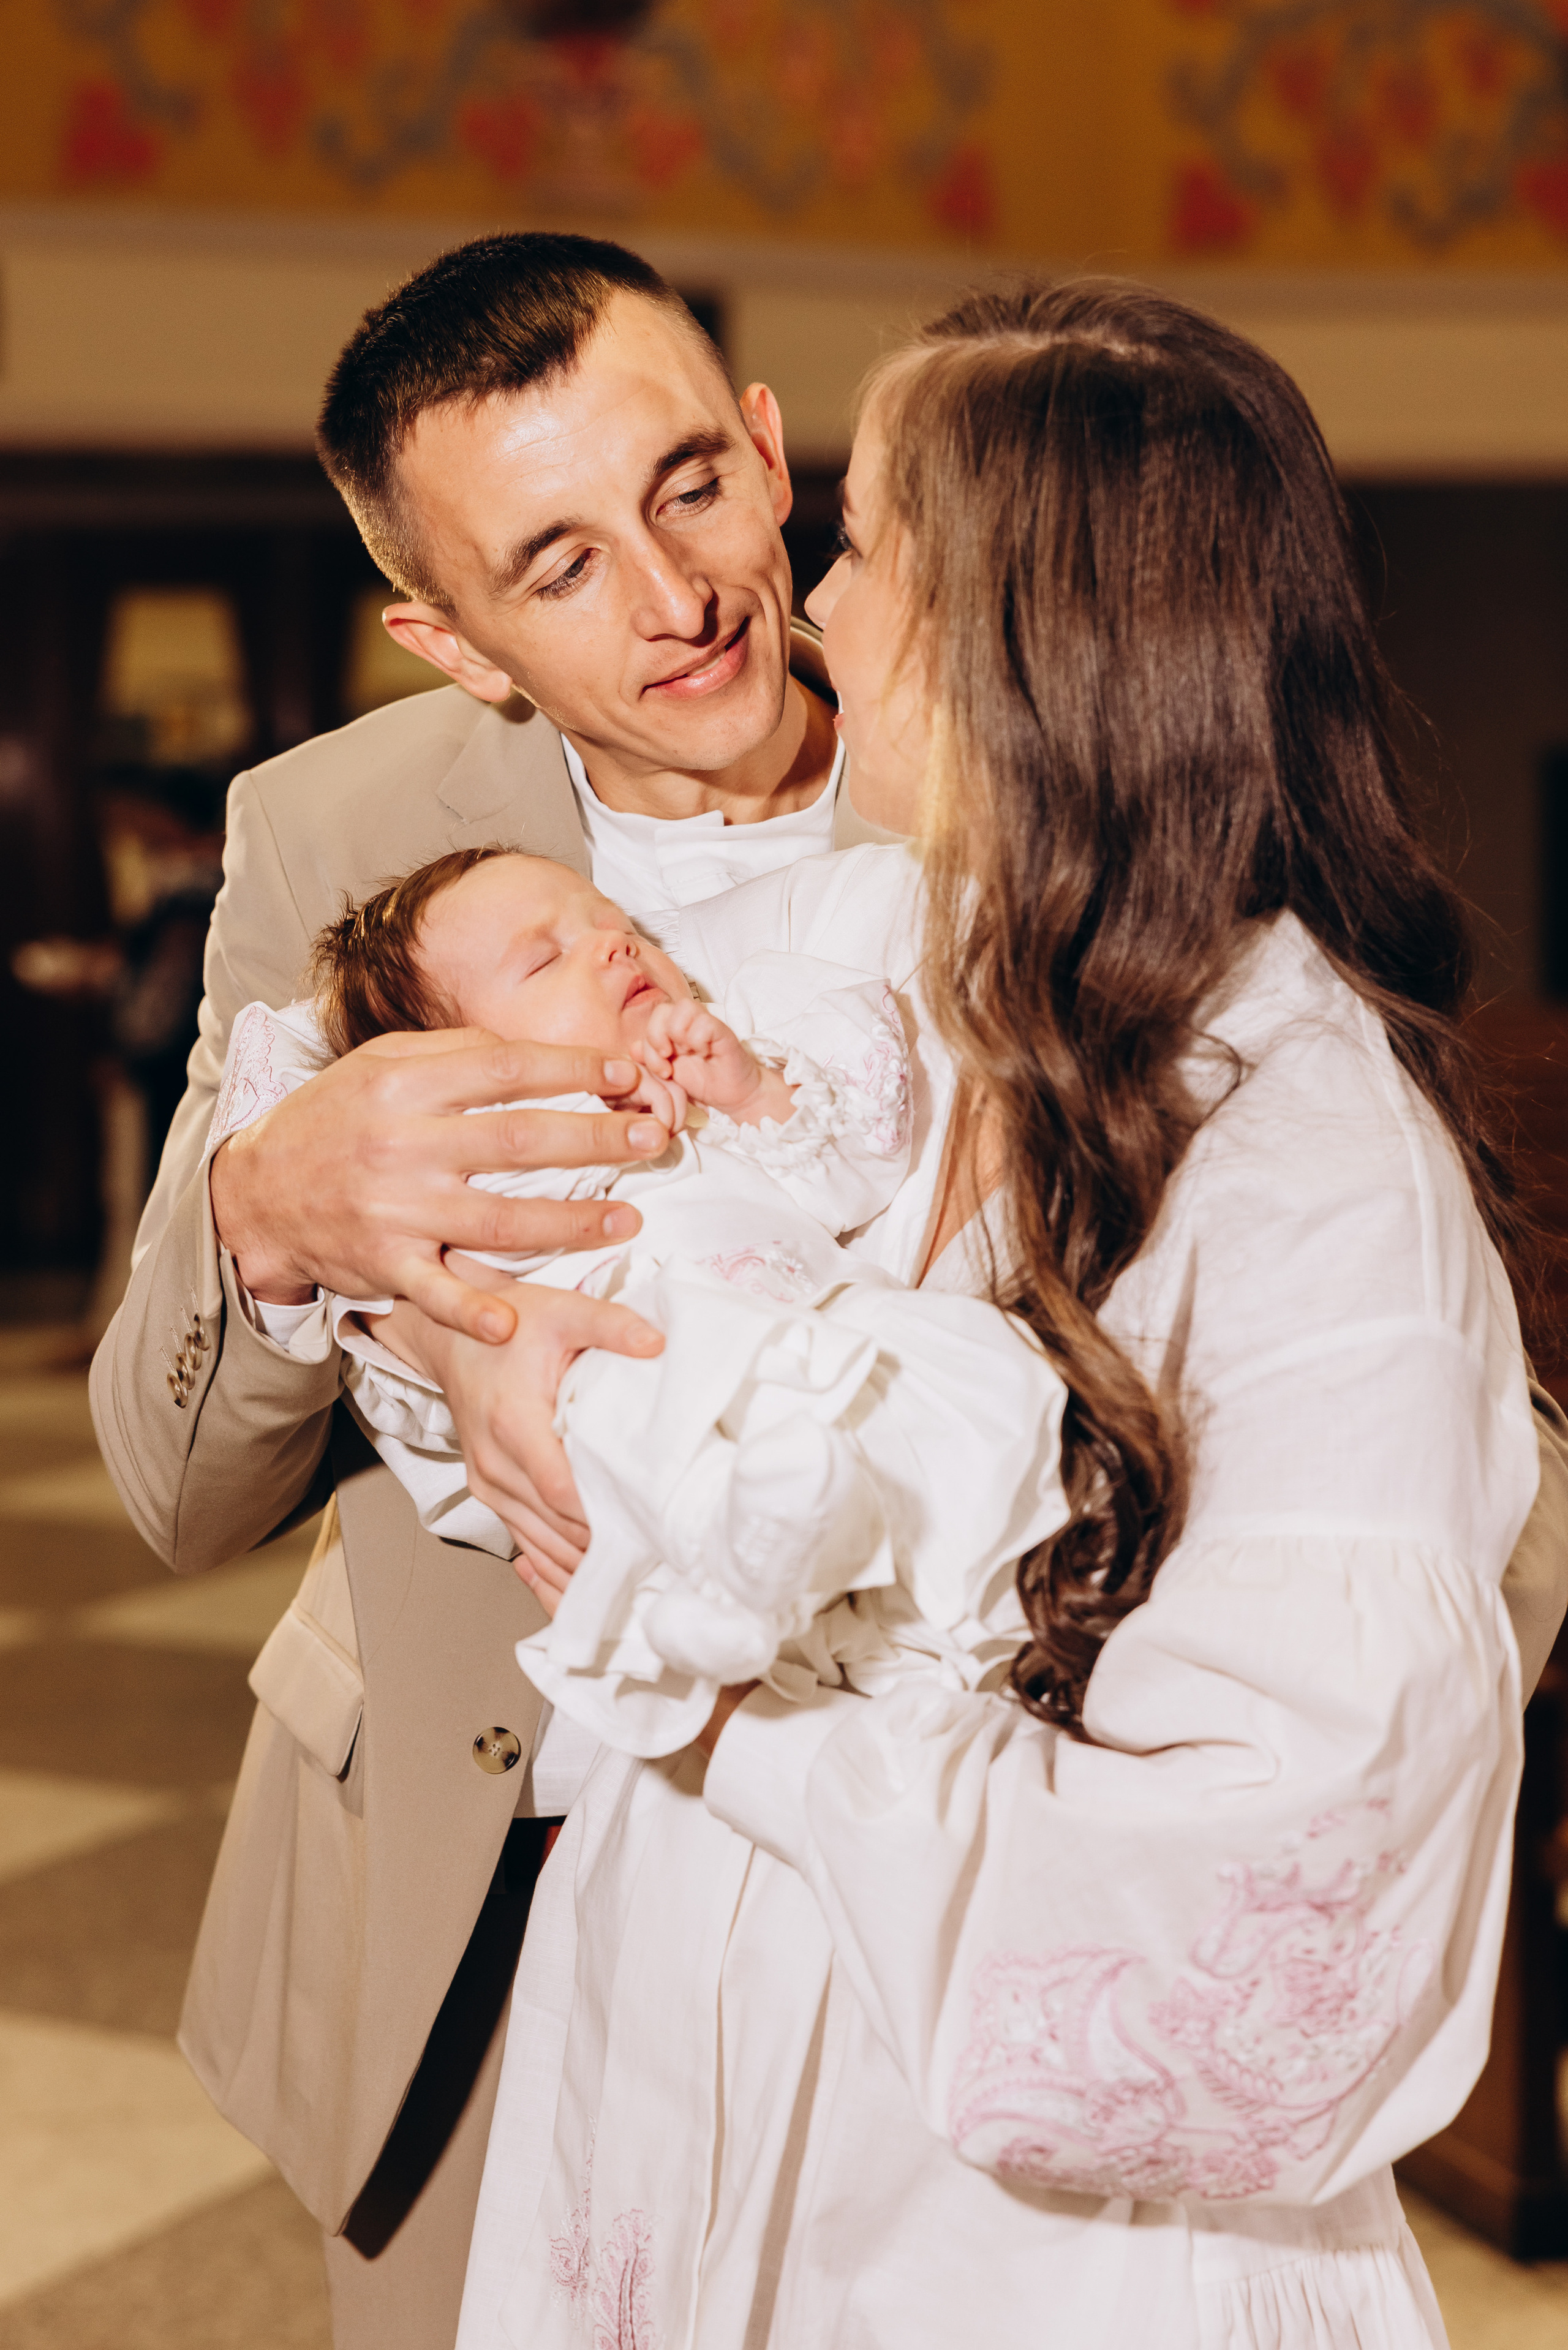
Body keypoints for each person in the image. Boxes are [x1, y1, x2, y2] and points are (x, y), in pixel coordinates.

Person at [457, 282, 1552, 2349]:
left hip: (1022, 2254)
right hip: (719, 2132)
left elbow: (1256, 1929)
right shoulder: (973, 1016)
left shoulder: (1311, 1164)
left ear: (1020, 635)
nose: (815, 610)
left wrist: (727, 1708)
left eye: (864, 541)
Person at [86, 231, 902, 2350]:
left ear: (769, 443)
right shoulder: (330, 833)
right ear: (449, 638)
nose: (676, 597)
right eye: (555, 566)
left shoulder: (1020, 742)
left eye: (691, 487)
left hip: (951, 1841)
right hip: (505, 1870)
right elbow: (172, 1487)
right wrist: (270, 1208)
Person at [216, 843, 1067, 1753]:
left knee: (966, 1378)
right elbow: (396, 1362)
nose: (615, 948)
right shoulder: (447, 1170)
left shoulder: (703, 1092)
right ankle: (735, 1584)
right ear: (444, 1062)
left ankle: (984, 1580)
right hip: (630, 1376)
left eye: (619, 930)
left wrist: (754, 1091)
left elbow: (850, 1180)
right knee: (631, 1417)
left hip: (820, 1339)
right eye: (546, 958)